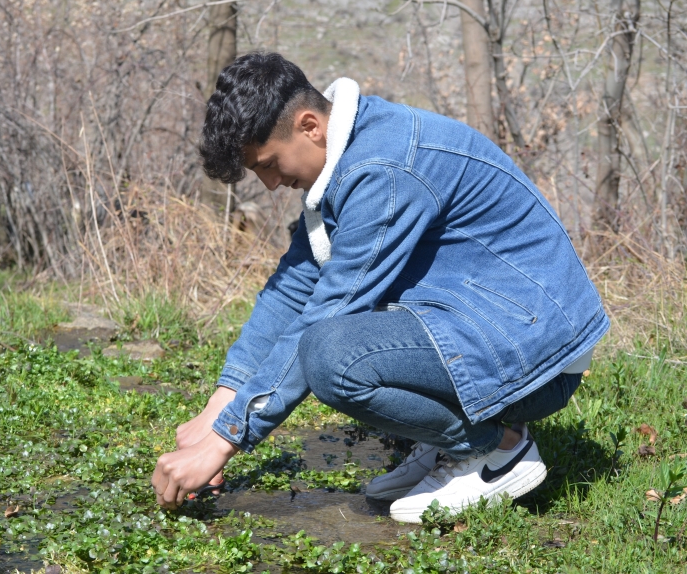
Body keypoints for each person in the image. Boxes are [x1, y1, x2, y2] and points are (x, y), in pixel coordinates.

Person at [151, 52, 608, 523]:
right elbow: (292, 290)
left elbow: (328, 313)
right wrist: (220, 406)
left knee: (331, 356)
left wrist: (225, 441)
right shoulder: (348, 156)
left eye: (267, 164)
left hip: (536, 354)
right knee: (333, 343)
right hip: (489, 324)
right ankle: (453, 439)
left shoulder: (382, 170)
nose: (269, 184)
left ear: (309, 125)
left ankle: (496, 450)